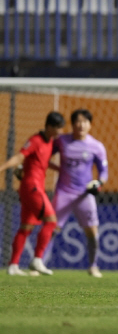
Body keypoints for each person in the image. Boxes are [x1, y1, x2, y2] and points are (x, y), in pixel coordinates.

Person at [0, 111, 65, 276]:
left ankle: (13, 266)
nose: (60, 132)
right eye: (57, 128)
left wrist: (59, 169)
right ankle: (37, 259)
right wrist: (2, 167)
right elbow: (20, 157)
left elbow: (42, 161)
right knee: (51, 221)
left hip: (35, 188)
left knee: (26, 227)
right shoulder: (35, 140)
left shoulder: (50, 142)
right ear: (49, 126)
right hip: (32, 187)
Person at [51, 109, 108, 278]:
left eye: (85, 121)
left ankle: (93, 266)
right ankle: (37, 264)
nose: (81, 125)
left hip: (84, 194)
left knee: (92, 232)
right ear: (72, 124)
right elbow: (45, 155)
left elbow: (104, 172)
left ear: (90, 125)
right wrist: (56, 168)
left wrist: (98, 183)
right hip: (64, 192)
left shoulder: (96, 146)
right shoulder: (62, 141)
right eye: (78, 121)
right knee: (51, 228)